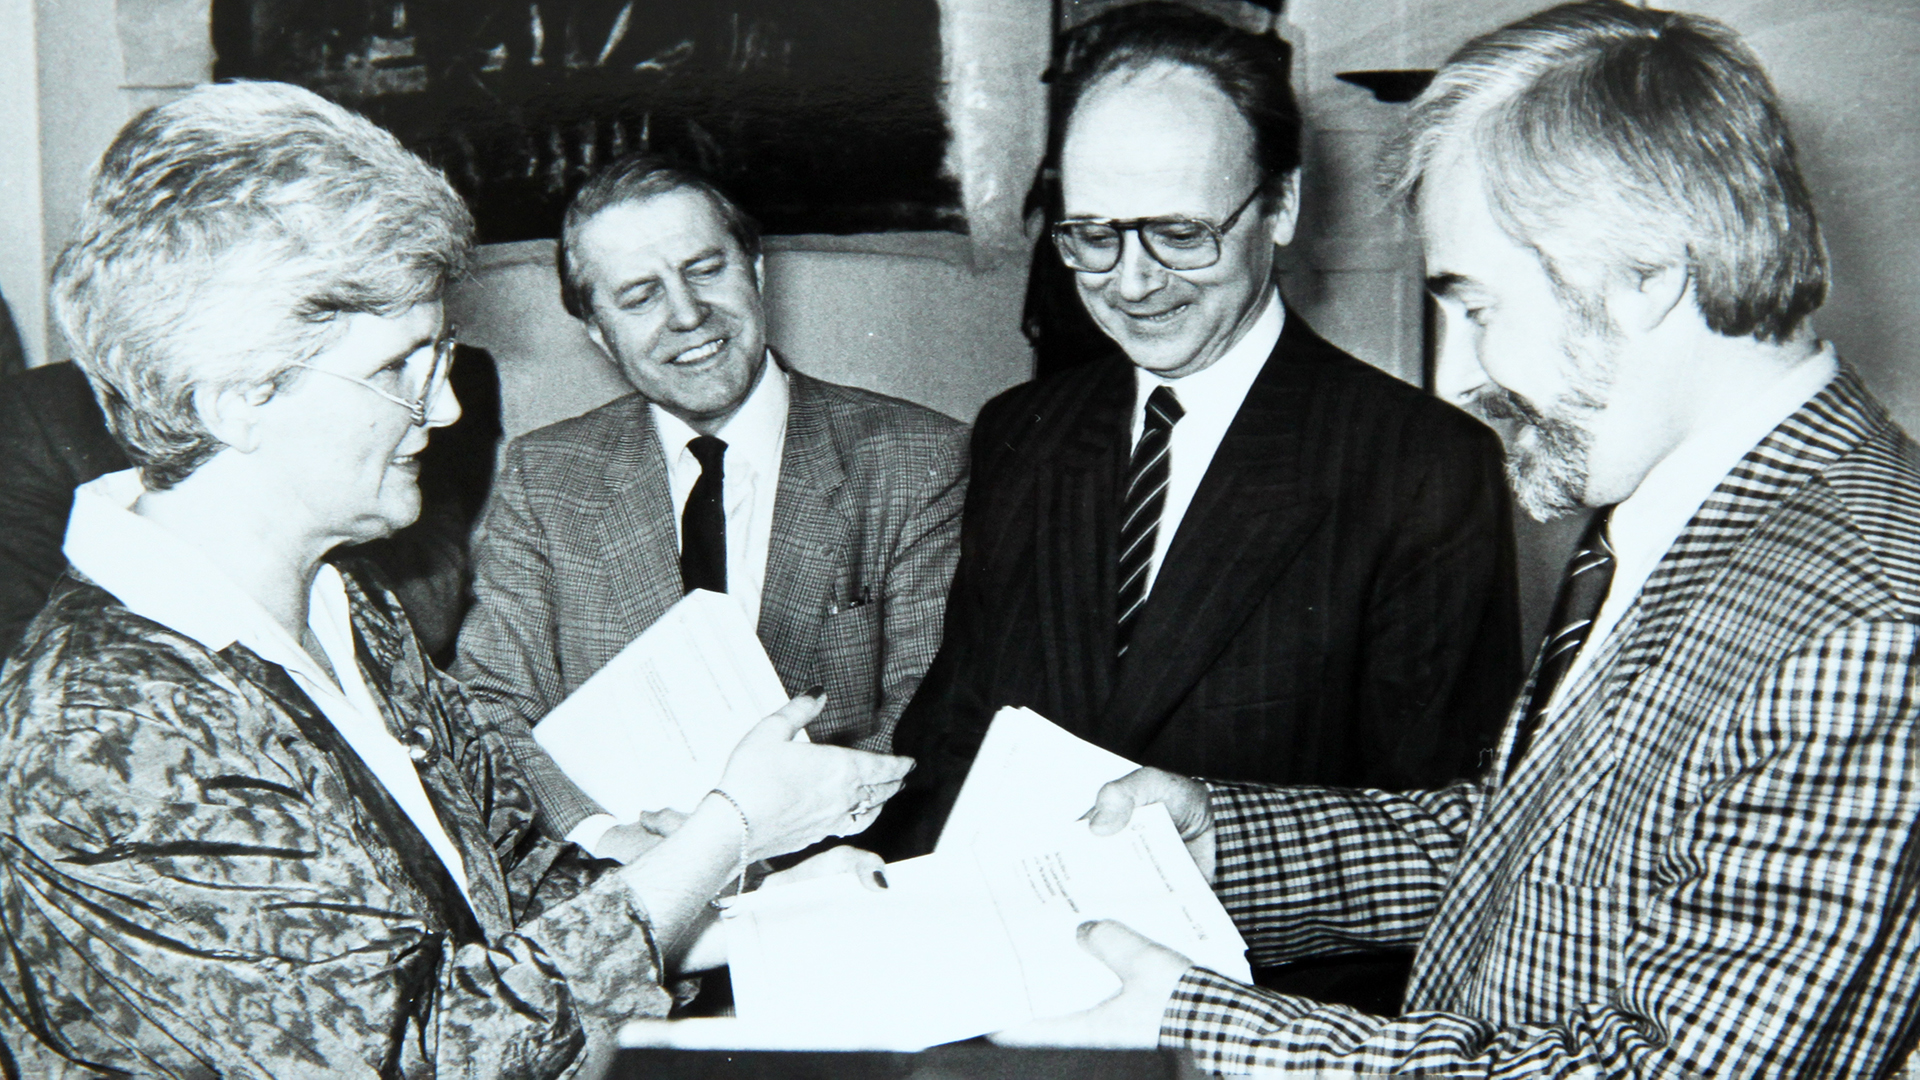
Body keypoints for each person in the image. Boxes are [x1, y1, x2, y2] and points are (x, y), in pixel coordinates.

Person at [1003, 2, 1920, 1075]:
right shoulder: (1694, 519)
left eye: (1479, 308)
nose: (1460, 378)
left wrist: (1205, 1023)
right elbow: (1522, 844)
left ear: (1647, 277)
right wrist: (1219, 836)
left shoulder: (1869, 627)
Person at [0, 80, 913, 1077]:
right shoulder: (106, 725)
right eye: (399, 368)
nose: (441, 411)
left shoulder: (344, 608)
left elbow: (515, 896)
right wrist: (728, 832)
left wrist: (757, 917)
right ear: (239, 399)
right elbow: (417, 1056)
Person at [880, 0, 1521, 1006]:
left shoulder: (1422, 466)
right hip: (1004, 1011)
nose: (1132, 282)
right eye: (1091, 236)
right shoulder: (1021, 432)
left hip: (1266, 1029)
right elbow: (955, 735)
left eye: (1180, 232)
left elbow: (1441, 844)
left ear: (1280, 209)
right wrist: (867, 882)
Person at [453, 154, 968, 857]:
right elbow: (490, 705)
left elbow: (927, 708)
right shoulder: (546, 478)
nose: (688, 314)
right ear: (599, 333)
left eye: (705, 269)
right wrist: (612, 840)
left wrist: (758, 842)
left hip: (832, 886)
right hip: (622, 896)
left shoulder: (918, 459)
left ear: (756, 272)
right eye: (640, 296)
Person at [0, 347, 501, 661]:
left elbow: (431, 610)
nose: (444, 408)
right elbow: (24, 639)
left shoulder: (438, 371)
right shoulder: (42, 410)